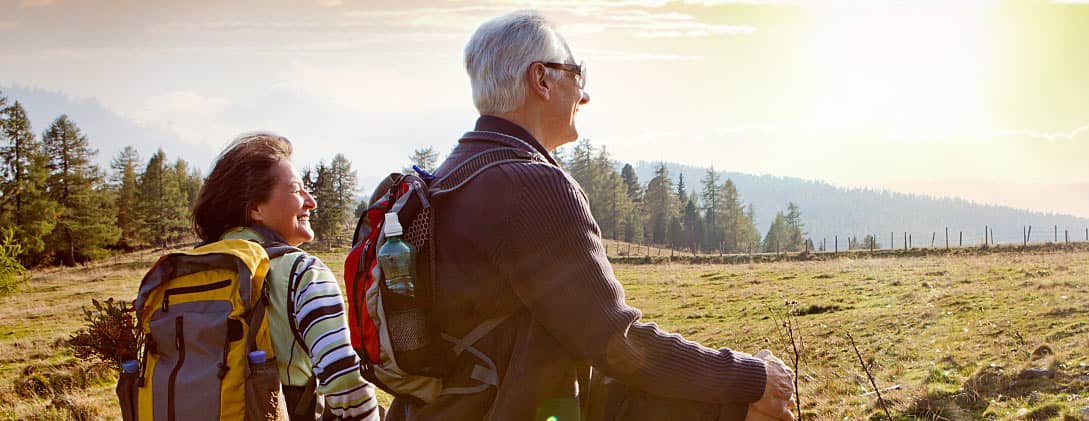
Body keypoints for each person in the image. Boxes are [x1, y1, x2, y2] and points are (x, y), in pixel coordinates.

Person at [384, 10, 796, 421]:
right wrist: (752, 377)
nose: (584, 95)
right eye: (577, 73)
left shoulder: (448, 178)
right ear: (541, 79)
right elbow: (617, 342)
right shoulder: (531, 186)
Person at [192, 133, 381, 420]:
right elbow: (345, 387)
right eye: (296, 190)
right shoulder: (302, 272)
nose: (311, 202)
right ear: (255, 208)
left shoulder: (191, 270)